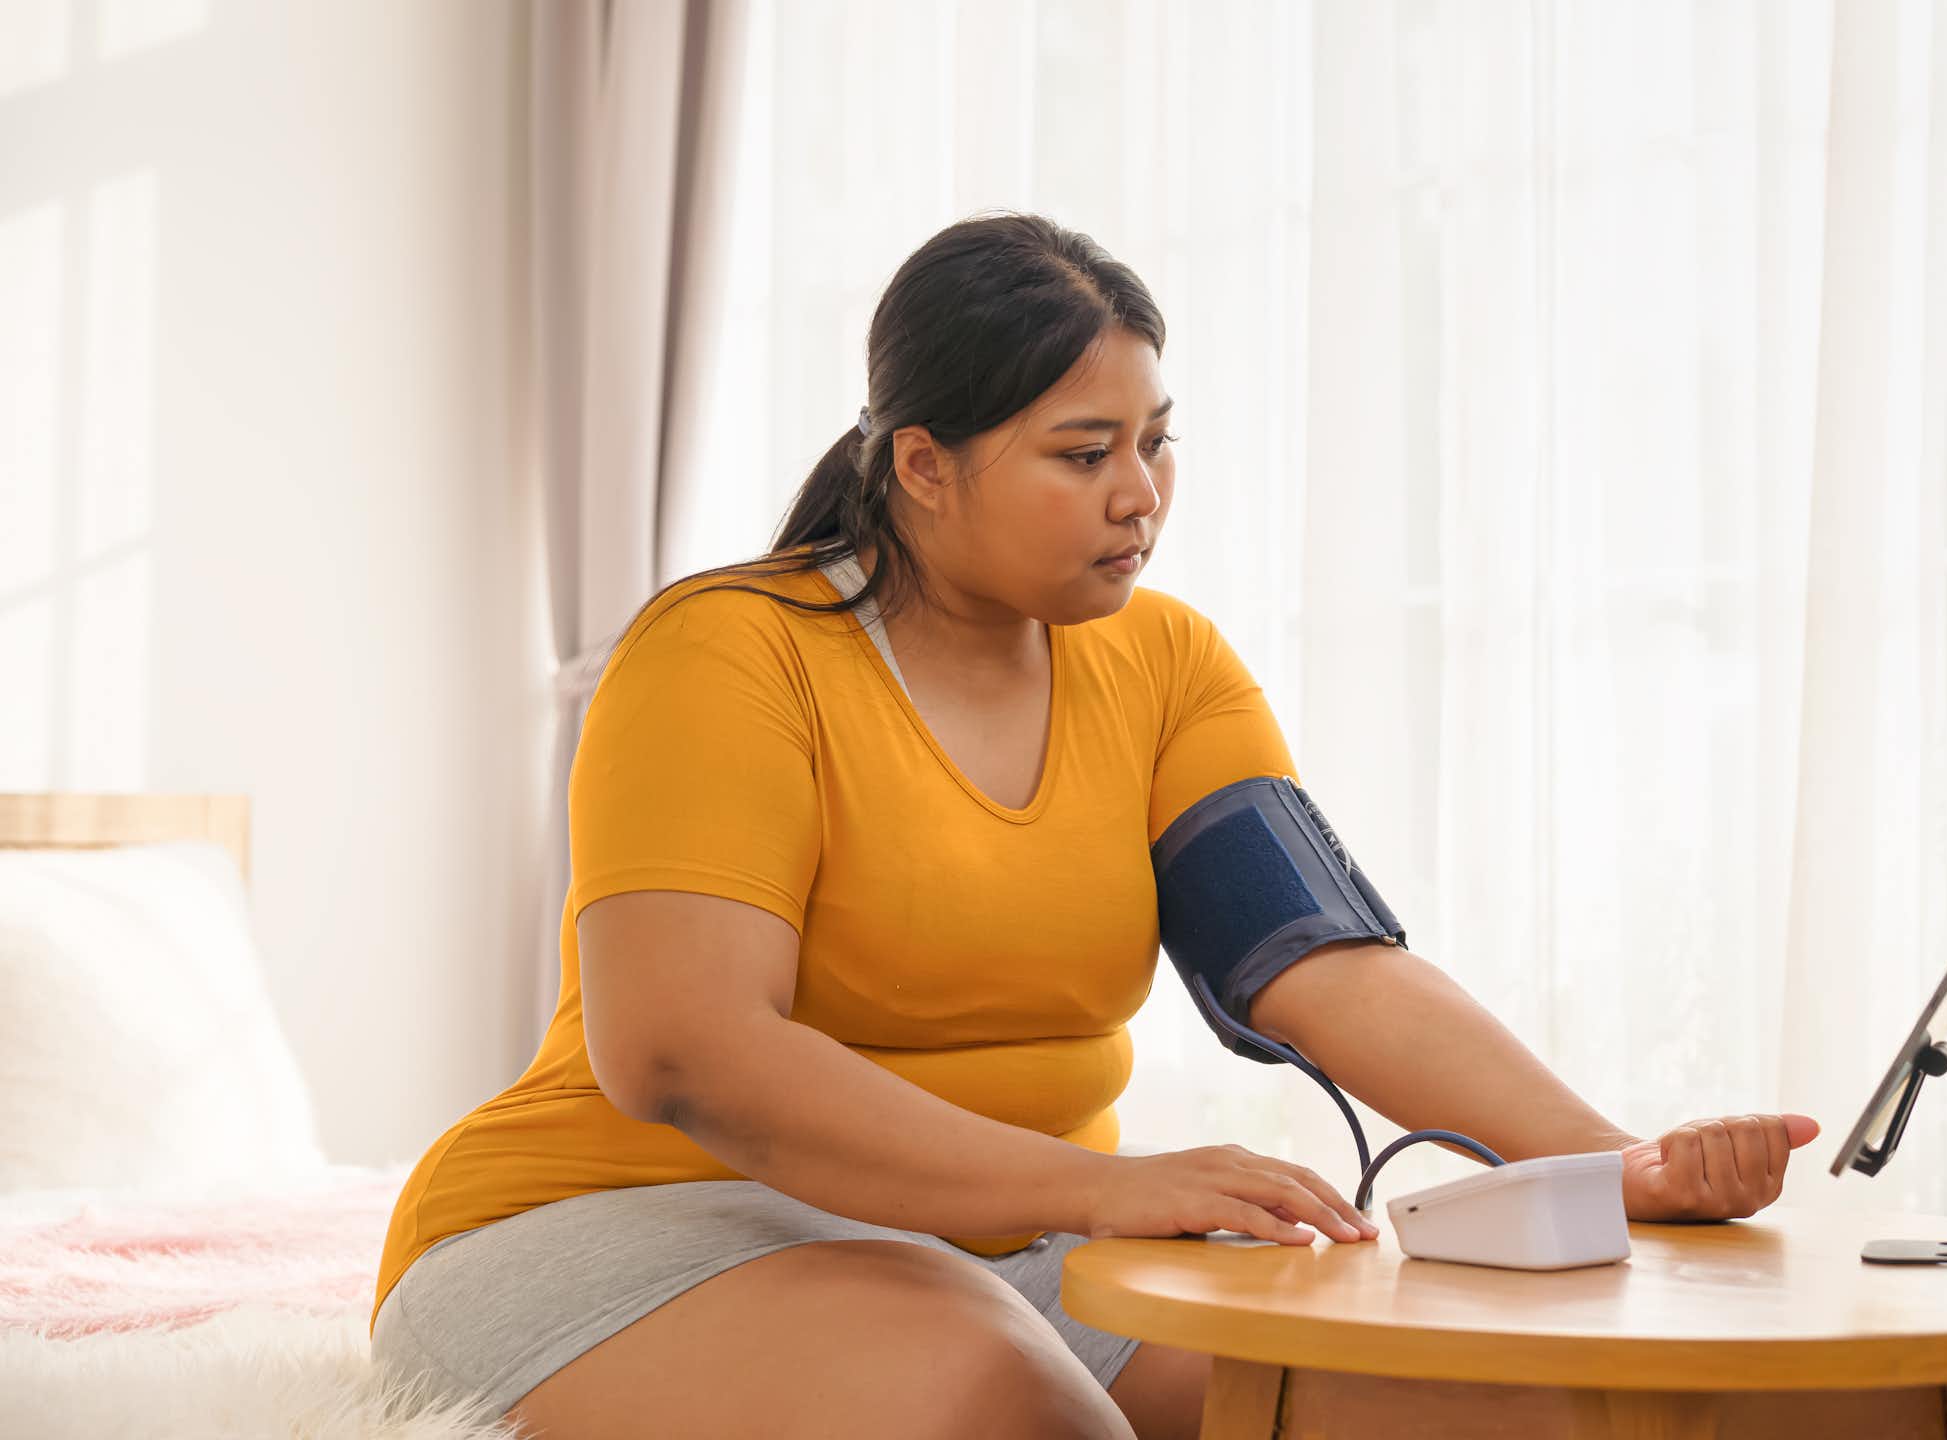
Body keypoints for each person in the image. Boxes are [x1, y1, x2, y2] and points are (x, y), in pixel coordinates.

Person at [368, 212, 1820, 1440]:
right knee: (999, 1390)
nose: (1140, 498)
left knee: (1466, 1397)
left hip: (990, 1243)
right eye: (1082, 454)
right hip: (617, 1230)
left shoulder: (1164, 662)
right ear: (923, 464)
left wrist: (1606, 1166)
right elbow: (688, 1051)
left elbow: (1321, 967)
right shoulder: (726, 652)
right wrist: (1109, 1190)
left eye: (1156, 443)